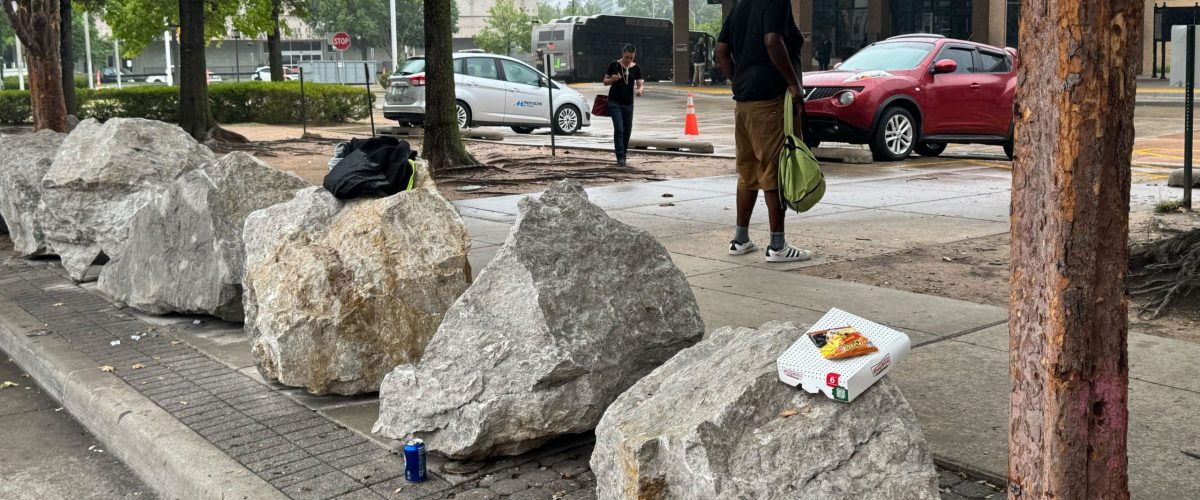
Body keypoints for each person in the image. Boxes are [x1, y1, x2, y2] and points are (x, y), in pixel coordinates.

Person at [716, 0, 812, 263]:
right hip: (770, 99)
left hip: (744, 101)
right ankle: (778, 246)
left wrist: (740, 79)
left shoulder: (740, 6)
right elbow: (772, 40)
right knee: (773, 169)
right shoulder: (775, 2)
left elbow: (721, 51)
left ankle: (740, 239)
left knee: (747, 170)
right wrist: (793, 84)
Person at [602, 44, 644, 167]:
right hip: (614, 102)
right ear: (622, 54)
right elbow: (605, 81)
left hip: (628, 103)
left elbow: (640, 83)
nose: (628, 60)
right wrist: (612, 80)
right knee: (619, 129)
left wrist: (639, 90)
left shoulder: (636, 68)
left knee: (627, 130)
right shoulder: (614, 65)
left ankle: (624, 153)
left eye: (631, 58)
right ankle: (620, 156)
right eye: (626, 57)